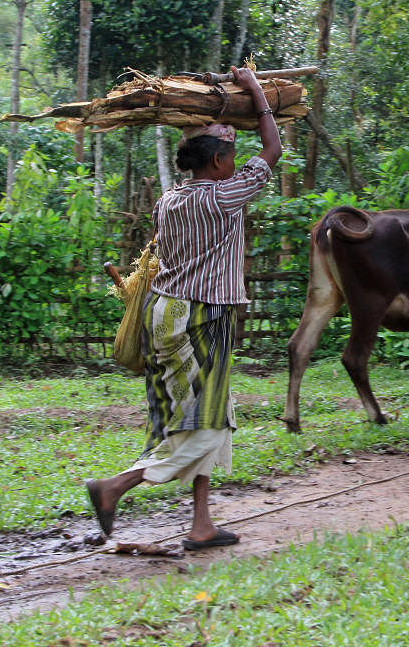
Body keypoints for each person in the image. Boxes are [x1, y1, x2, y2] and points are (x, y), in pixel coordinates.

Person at [86, 67, 282, 551]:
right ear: (217, 162)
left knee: (202, 413)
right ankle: (115, 486)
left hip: (165, 313)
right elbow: (272, 152)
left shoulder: (169, 201)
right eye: (231, 158)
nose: (237, 166)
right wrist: (257, 93)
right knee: (203, 420)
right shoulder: (221, 197)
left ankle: (201, 524)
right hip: (197, 316)